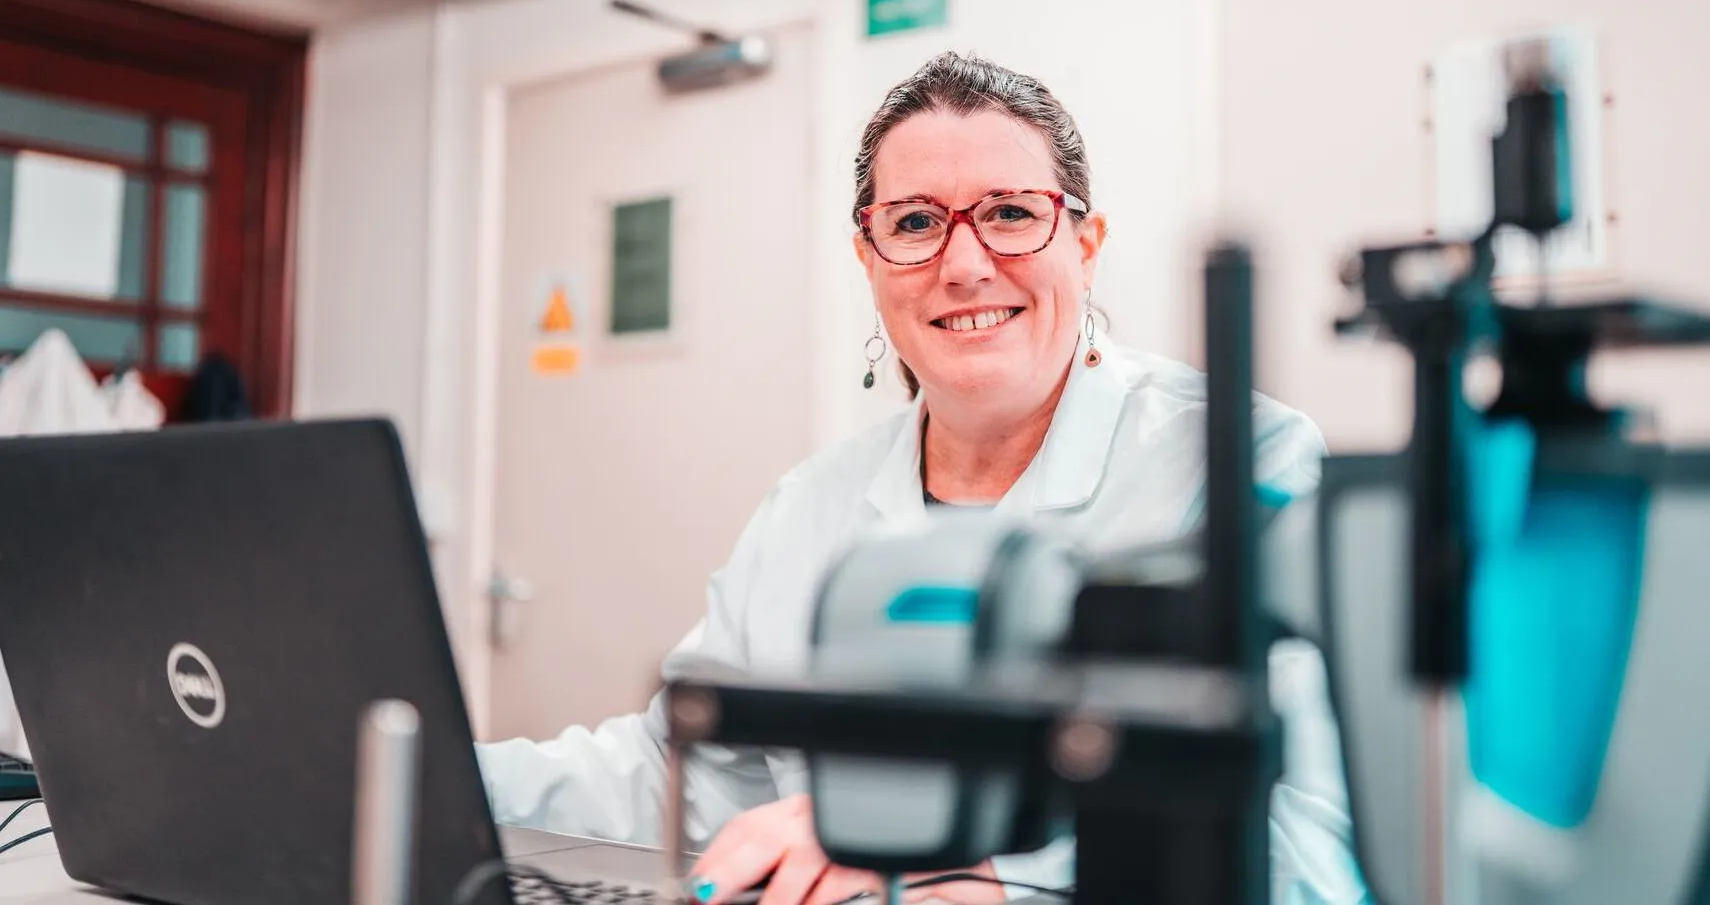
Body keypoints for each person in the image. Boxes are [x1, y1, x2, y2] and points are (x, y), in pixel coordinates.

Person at [476, 52, 1362, 905]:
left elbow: (1316, 847)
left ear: (1085, 245)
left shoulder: (1243, 465)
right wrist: (422, 761)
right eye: (914, 222)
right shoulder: (811, 506)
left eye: (1011, 212)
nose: (965, 263)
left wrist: (975, 868)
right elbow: (675, 771)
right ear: (870, 261)